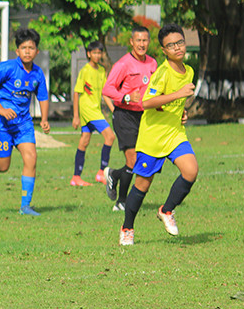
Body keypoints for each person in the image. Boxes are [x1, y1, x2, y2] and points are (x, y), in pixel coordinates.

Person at [118, 23, 197, 245]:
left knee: (191, 171)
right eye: (171, 45)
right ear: (164, 50)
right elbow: (147, 102)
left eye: (180, 42)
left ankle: (166, 209)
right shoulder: (162, 72)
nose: (177, 48)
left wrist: (182, 113)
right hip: (153, 137)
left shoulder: (189, 71)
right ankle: (127, 228)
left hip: (174, 134)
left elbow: (176, 103)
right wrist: (178, 94)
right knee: (143, 184)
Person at [0, 28, 51, 215]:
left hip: (23, 124)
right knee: (3, 166)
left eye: (31, 48)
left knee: (31, 158)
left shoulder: (37, 74)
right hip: (0, 124)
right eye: (23, 48)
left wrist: (44, 119)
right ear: (17, 51)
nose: (27, 51)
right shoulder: (6, 68)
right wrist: (1, 109)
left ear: (37, 51)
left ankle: (25, 206)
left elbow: (43, 97)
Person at [101, 24, 157, 211]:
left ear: (149, 42)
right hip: (125, 116)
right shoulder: (123, 64)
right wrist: (126, 96)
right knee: (133, 160)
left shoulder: (152, 63)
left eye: (145, 40)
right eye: (138, 40)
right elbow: (107, 89)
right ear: (131, 42)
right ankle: (122, 202)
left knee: (139, 161)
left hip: (145, 116)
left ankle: (115, 175)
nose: (142, 44)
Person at [70, 40, 115, 186]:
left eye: (99, 52)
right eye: (94, 52)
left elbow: (105, 93)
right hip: (88, 110)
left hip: (96, 110)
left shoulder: (102, 70)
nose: (97, 55)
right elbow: (77, 93)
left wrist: (113, 109)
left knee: (84, 141)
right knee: (110, 136)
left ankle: (76, 177)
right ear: (89, 54)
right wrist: (76, 116)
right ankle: (101, 173)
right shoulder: (85, 71)